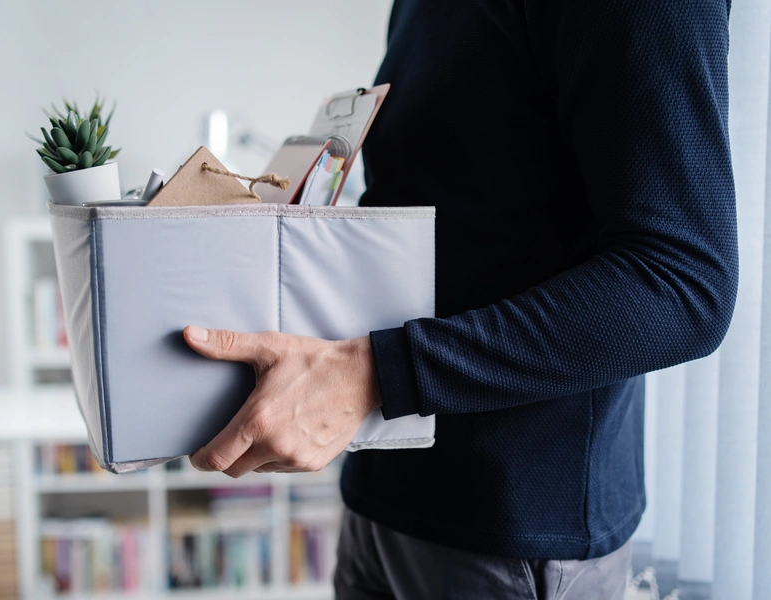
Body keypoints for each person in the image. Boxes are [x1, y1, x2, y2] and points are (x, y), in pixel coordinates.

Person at [181, 0, 738, 597]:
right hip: (382, 492)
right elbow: (452, 214)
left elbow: (682, 281)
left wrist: (370, 374)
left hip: (510, 535)